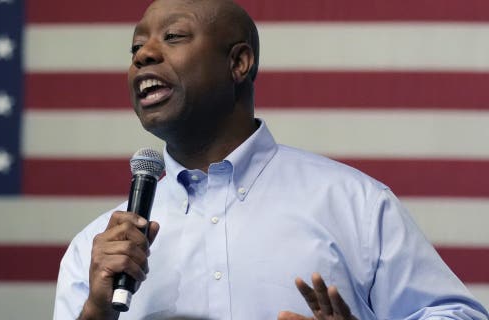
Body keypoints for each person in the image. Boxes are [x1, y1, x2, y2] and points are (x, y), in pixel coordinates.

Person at [53, 0, 489, 319]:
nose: (143, 55)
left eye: (173, 37)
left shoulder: (354, 203)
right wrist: (96, 311)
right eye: (135, 50)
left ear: (239, 62)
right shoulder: (96, 251)